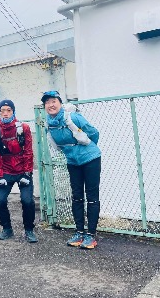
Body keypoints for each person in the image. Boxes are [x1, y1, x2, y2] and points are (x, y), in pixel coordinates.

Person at [42, 90, 101, 249]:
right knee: (76, 197)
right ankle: (79, 232)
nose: (50, 105)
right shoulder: (49, 124)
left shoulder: (72, 117)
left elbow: (94, 133)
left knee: (92, 196)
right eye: (47, 102)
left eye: (53, 101)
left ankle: (91, 235)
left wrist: (86, 149)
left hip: (90, 159)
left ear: (60, 103)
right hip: (73, 162)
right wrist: (73, 154)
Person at [0, 100, 38, 243]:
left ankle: (29, 230)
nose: (5, 113)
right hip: (6, 171)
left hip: (23, 169)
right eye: (2, 110)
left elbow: (28, 151)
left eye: (8, 110)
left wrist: (27, 172)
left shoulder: (23, 128)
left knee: (27, 201)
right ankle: (7, 229)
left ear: (13, 111)